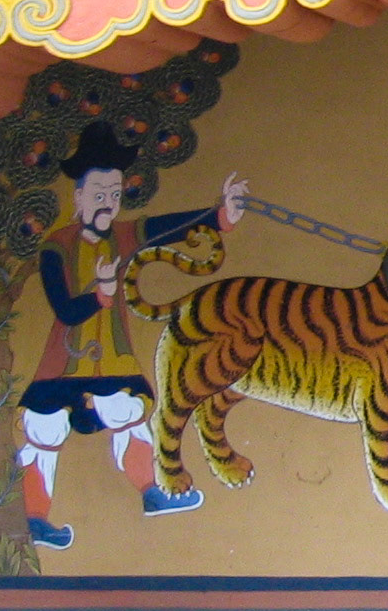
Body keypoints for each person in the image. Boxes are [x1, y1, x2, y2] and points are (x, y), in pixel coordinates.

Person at [17, 121, 249, 550]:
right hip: (62, 364)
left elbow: (165, 226)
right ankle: (34, 518)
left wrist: (220, 216)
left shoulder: (122, 236)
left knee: (129, 414)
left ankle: (152, 493)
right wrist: (101, 295)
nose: (108, 204)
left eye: (115, 194)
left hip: (112, 360)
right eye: (99, 195)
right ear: (79, 197)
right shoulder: (57, 247)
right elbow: (65, 309)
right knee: (43, 430)